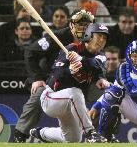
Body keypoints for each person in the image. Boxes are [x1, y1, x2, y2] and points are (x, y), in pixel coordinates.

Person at [13, 9, 94, 143]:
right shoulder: (57, 37)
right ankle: (20, 133)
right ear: (72, 24)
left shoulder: (93, 40)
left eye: (87, 24)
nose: (84, 27)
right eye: (80, 23)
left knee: (74, 138)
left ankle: (105, 135)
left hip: (75, 83)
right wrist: (37, 78)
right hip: (50, 81)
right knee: (39, 93)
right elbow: (30, 52)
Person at [29, 23, 110, 143]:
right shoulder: (70, 49)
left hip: (72, 104)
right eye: (99, 36)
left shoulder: (101, 56)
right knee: (75, 92)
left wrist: (99, 77)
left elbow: (98, 67)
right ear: (89, 35)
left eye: (104, 38)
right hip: (51, 98)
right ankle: (90, 132)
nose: (102, 40)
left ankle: (41, 133)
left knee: (73, 139)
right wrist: (71, 70)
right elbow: (55, 74)